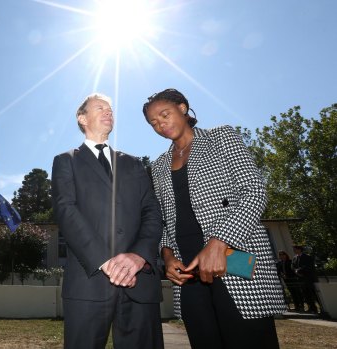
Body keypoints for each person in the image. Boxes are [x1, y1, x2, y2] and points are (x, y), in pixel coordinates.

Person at [142, 88, 286, 349]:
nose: (160, 124)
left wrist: (219, 242)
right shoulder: (159, 165)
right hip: (187, 274)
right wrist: (167, 255)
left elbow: (254, 191)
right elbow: (162, 219)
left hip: (233, 261)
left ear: (183, 109)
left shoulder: (221, 137)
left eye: (165, 115)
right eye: (154, 122)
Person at [52, 93, 164, 349]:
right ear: (82, 118)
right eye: (100, 107)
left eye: (111, 109)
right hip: (87, 283)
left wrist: (138, 256)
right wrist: (106, 261)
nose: (108, 112)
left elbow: (152, 212)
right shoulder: (65, 161)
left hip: (140, 282)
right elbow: (66, 211)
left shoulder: (134, 164)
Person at [292, 245, 318, 313]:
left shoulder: (307, 257)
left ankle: (316, 308)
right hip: (300, 279)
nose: (294, 251)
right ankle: (310, 307)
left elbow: (308, 266)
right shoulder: (295, 258)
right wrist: (295, 271)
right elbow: (293, 266)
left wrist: (299, 270)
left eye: (295, 249)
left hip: (308, 278)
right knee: (305, 294)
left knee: (312, 294)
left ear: (299, 249)